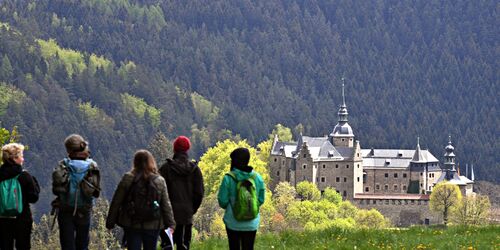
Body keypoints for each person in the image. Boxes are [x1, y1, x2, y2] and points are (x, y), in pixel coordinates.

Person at [106, 149, 176, 250]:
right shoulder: (159, 181)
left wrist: (110, 222)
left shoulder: (128, 178)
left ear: (135, 162)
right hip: (153, 223)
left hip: (131, 222)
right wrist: (171, 224)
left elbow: (116, 202)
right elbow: (166, 204)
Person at [52, 134, 100, 250]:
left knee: (67, 244)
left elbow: (56, 189)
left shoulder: (63, 165)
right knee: (83, 244)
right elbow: (95, 190)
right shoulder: (92, 166)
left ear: (68, 150)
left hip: (65, 208)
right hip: (84, 209)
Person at [159, 136, 204, 250]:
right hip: (186, 214)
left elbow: (158, 192)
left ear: (174, 149)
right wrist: (192, 209)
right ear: (187, 149)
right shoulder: (195, 170)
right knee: (184, 245)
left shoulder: (165, 169)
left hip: (169, 216)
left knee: (168, 245)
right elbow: (199, 194)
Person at [218, 148, 265, 250]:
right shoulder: (257, 178)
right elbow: (261, 199)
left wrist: (232, 207)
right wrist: (251, 207)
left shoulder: (228, 178)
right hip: (251, 222)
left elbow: (222, 201)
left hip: (232, 222)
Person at [0, 143, 40, 250]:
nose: (23, 159)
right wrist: (35, 182)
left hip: (2, 218)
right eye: (21, 156)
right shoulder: (24, 176)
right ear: (15, 158)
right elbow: (33, 198)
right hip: (22, 218)